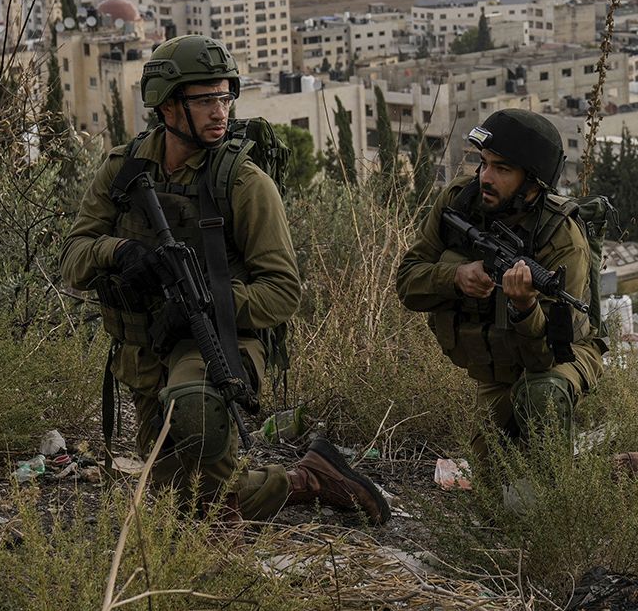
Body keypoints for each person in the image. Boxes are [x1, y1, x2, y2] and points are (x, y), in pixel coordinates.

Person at [61, 34, 388, 524]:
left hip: (218, 340)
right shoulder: (122, 172)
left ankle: (254, 510)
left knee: (195, 406)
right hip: (144, 348)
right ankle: (308, 479)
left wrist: (214, 301)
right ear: (168, 107)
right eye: (205, 99)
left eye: (225, 96)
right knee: (187, 502)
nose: (221, 111)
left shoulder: (243, 183)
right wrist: (123, 251)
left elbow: (282, 293)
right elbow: (73, 258)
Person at [394, 109, 607, 456]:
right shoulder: (460, 202)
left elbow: (546, 358)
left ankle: (558, 494)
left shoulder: (563, 239)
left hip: (564, 355)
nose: (485, 177)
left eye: (502, 169)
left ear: (533, 183)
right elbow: (406, 282)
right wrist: (456, 276)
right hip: (498, 370)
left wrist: (525, 308)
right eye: (484, 162)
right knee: (491, 492)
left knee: (543, 394)